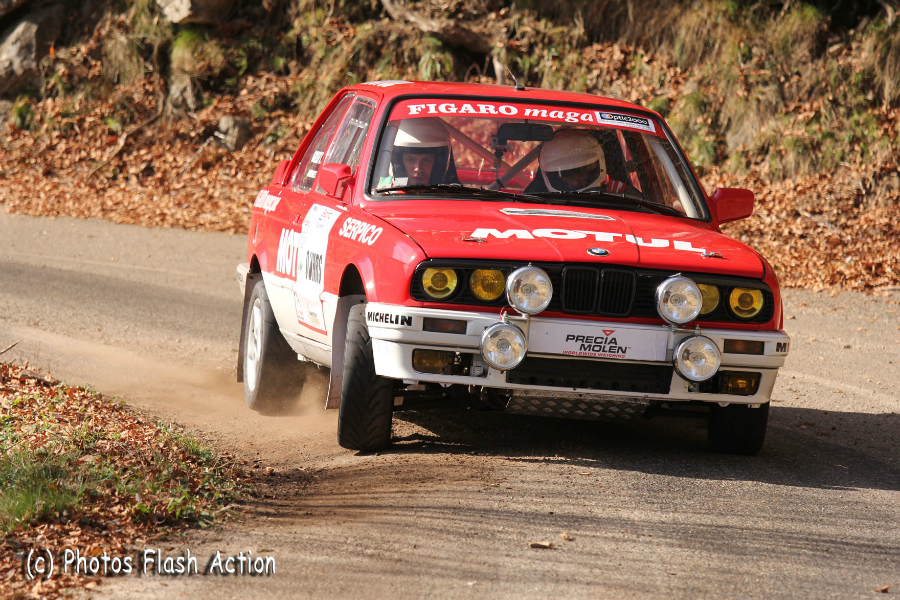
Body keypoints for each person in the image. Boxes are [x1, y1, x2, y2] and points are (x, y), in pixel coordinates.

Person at [536, 129, 628, 193]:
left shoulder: (615, 191)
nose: (575, 182)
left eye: (580, 171)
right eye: (567, 174)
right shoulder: (536, 201)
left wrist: (620, 196)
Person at [390, 118, 453, 186]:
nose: (418, 169)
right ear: (399, 163)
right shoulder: (380, 194)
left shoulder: (453, 196)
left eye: (426, 160)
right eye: (410, 160)